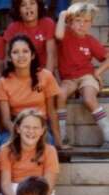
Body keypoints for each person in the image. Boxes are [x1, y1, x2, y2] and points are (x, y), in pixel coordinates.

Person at [55, 2, 109, 147]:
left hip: (87, 77)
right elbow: (58, 34)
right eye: (78, 20)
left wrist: (98, 71)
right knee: (60, 94)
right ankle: (63, 134)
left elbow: (107, 58)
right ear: (70, 22)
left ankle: (107, 134)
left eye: (86, 21)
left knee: (89, 98)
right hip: (69, 79)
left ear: (91, 23)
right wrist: (62, 15)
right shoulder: (65, 34)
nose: (82, 25)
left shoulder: (90, 41)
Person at [0, 110, 59, 195]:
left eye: (36, 128)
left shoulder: (50, 151)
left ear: (42, 131)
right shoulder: (6, 150)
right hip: (13, 193)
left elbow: (48, 186)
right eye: (26, 127)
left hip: (40, 192)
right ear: (18, 129)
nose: (31, 131)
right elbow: (5, 184)